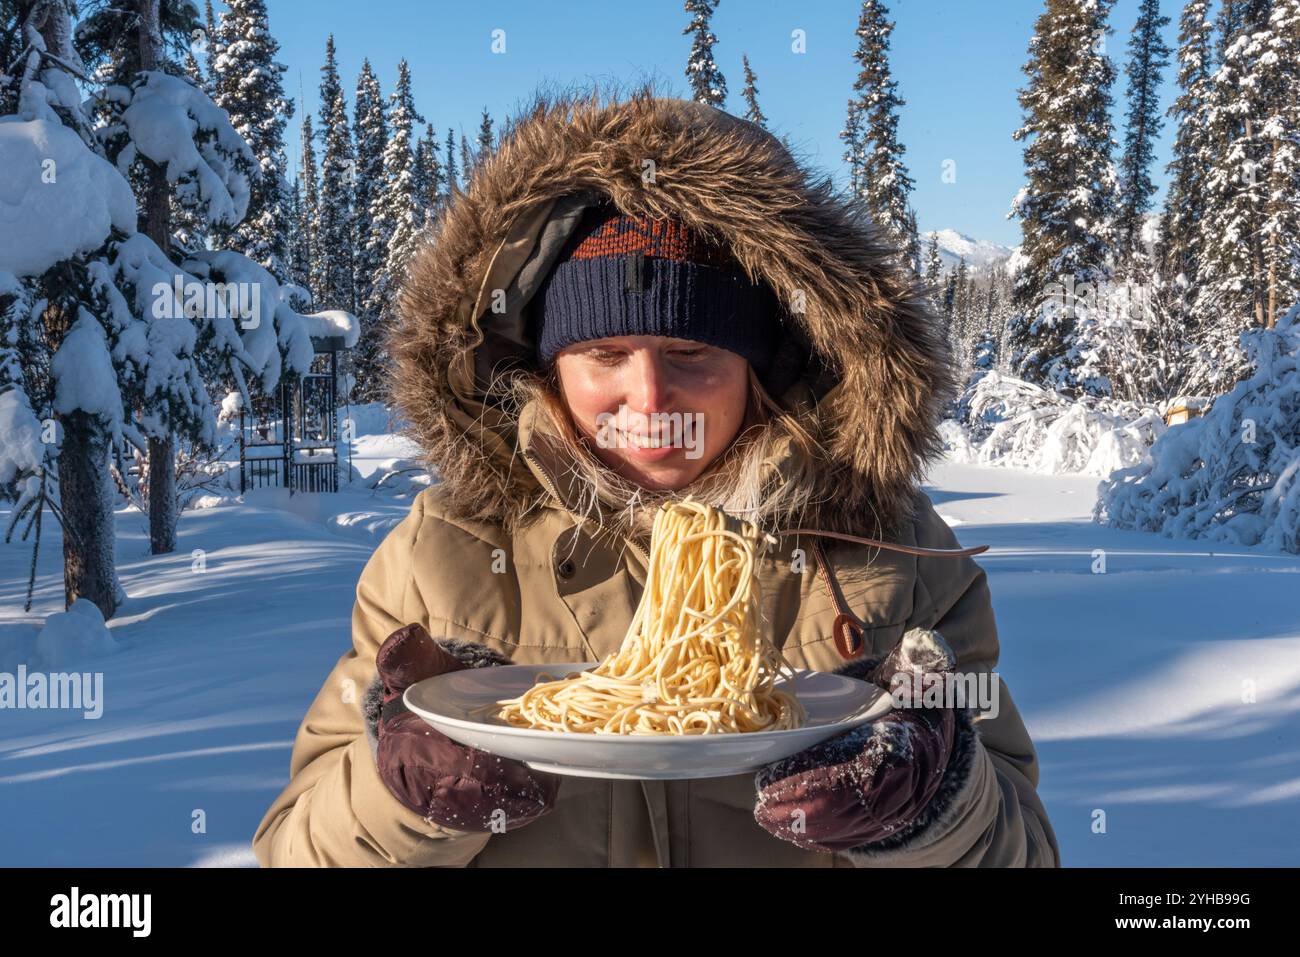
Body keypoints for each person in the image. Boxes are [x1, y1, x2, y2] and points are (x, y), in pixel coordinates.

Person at [251, 84, 1061, 868]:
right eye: (604, 355)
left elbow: (1022, 852)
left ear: (761, 364)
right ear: (548, 366)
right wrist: (404, 794)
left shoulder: (898, 556)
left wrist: (933, 805)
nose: (647, 397)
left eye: (691, 353)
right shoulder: (441, 555)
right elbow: (294, 850)